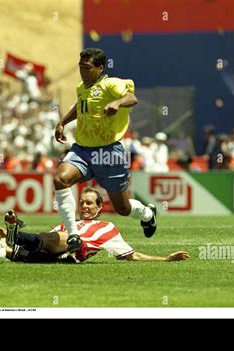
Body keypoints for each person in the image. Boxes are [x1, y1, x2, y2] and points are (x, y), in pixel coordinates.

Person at [53, 48, 157, 251]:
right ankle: (74, 235)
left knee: (122, 208)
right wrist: (62, 122)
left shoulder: (111, 84)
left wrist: (118, 102)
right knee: (60, 179)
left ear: (100, 68)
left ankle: (147, 214)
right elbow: (80, 105)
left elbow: (132, 98)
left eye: (87, 68)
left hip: (108, 152)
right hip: (82, 149)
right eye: (81, 67)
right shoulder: (82, 87)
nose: (83, 72)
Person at [0, 188, 189, 264]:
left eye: (90, 203)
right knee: (7, 250)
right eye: (82, 203)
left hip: (74, 251)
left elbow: (132, 255)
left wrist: (165, 259)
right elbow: (43, 240)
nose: (85, 206)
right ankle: (11, 238)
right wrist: (3, 239)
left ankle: (16, 235)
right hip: (51, 254)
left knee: (59, 238)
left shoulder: (107, 227)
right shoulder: (70, 223)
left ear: (99, 208)